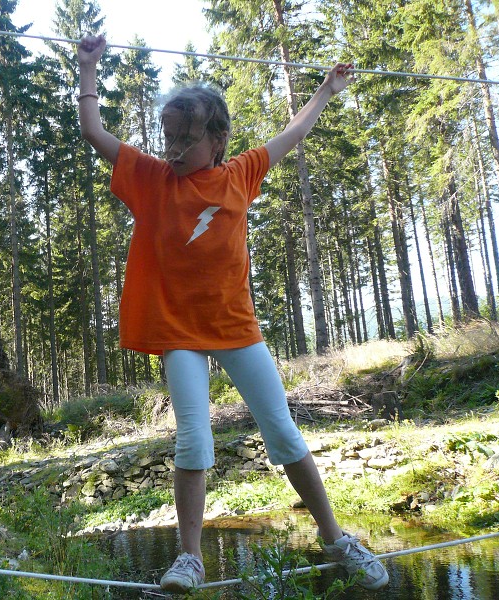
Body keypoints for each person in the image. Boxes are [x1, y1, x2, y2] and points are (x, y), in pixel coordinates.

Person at [76, 34, 389, 594]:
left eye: (186, 138)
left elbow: (293, 133)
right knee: (193, 439)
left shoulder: (240, 174)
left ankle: (336, 539)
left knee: (284, 434)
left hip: (236, 329)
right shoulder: (151, 179)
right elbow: (94, 133)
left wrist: (325, 90)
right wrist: (88, 69)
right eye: (168, 137)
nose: (173, 149)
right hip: (180, 334)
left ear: (217, 139)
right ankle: (190, 558)